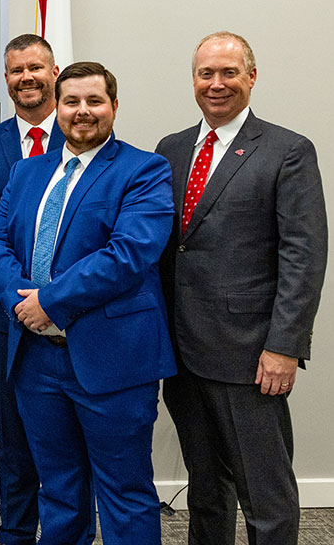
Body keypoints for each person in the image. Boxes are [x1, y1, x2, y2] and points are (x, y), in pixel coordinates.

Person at [0, 62, 175, 544]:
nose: (82, 111)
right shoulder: (28, 170)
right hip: (36, 360)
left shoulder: (144, 169)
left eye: (94, 101)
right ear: (56, 107)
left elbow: (129, 254)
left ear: (113, 107)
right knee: (60, 490)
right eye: (72, 102)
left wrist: (50, 300)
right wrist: (19, 300)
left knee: (125, 493)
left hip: (113, 359)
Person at [157, 31, 327, 545]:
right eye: (206, 73)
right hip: (182, 353)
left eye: (229, 72)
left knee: (265, 496)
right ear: (193, 80)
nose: (217, 83)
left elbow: (304, 255)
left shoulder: (287, 150)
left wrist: (284, 346)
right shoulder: (171, 149)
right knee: (206, 489)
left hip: (250, 354)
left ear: (252, 78)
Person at [0, 34, 76, 545]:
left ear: (55, 72)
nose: (25, 77)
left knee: (69, 440)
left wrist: (53, 299)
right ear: (5, 80)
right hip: (6, 316)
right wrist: (17, 292)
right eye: (15, 70)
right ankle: (15, 533)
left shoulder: (83, 135)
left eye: (35, 67)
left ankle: (67, 531)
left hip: (74, 319)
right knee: (13, 437)